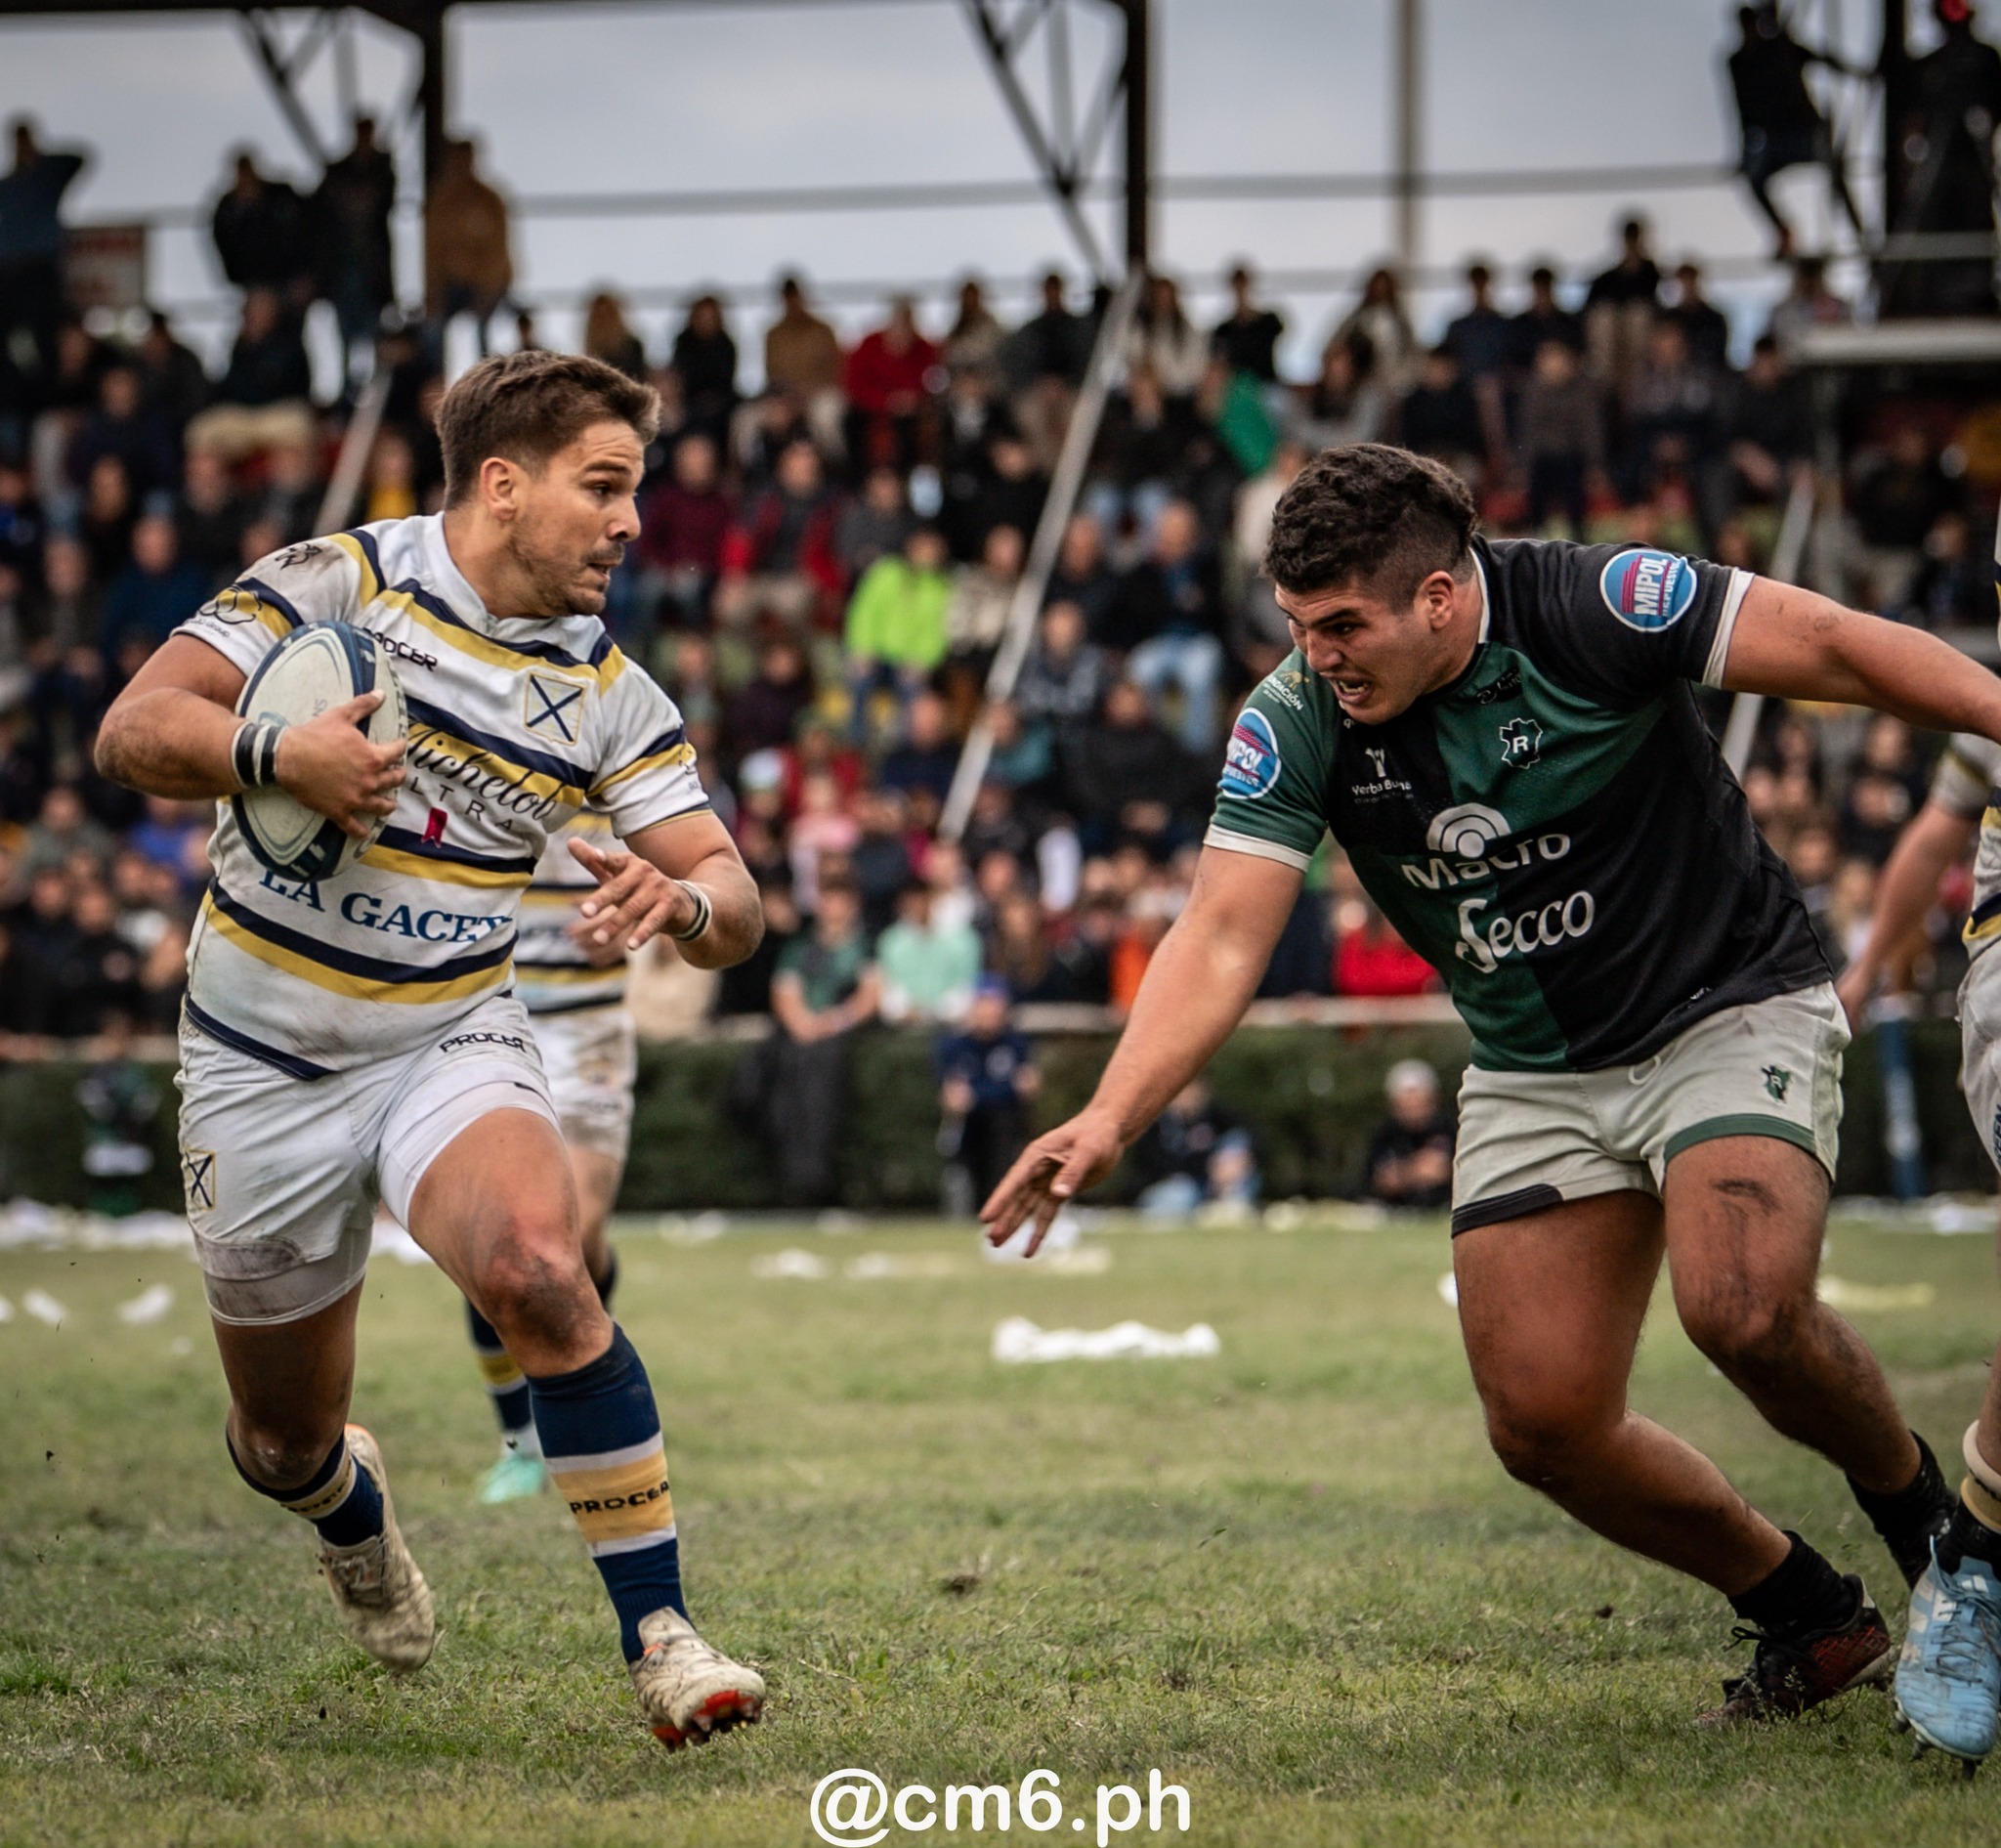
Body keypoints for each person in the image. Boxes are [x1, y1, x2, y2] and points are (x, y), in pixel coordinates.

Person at [983, 442, 2001, 1726]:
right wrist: (1109, 1112)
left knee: (1741, 1309)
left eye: (1342, 625)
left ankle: (1942, 1541)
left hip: (1726, 1001)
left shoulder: (1595, 602)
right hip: (1533, 1064)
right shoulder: (1293, 717)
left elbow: (1838, 647)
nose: (1315, 655)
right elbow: (1223, 933)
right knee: (1543, 1421)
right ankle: (1809, 1612)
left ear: (1439, 597)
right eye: (1297, 625)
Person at [92, 349, 767, 1749]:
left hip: (445, 1032)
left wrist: (687, 903)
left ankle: (664, 1637)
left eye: (633, 489)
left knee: (541, 1270)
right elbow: (132, 730)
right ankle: (347, 1509)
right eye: (604, 486)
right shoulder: (334, 580)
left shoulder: (608, 689)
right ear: (503, 485)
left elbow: (735, 894)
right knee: (281, 1439)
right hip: (259, 1056)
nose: (631, 520)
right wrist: (280, 754)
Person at [460, 812, 637, 1505]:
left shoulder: (618, 783)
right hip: (493, 1024)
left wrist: (630, 920)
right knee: (495, 1242)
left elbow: (678, 883)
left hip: (589, 1033)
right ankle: (521, 1442)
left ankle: (583, 1375)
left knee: (576, 1240)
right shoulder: (472, 774)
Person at [767, 878, 878, 1207]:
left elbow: (870, 996)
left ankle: (817, 1180)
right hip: (799, 1039)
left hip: (838, 1042)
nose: (833, 909)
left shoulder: (863, 947)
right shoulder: (799, 948)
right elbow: (784, 992)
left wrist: (834, 1022)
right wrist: (803, 1024)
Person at [1725, 4, 1862, 256]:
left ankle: (1861, 234)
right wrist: (1743, 155)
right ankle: (1783, 231)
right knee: (1754, 178)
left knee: (1833, 170)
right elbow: (1740, 111)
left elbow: (1823, 59)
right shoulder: (1740, 62)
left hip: (1804, 136)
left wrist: (1859, 73)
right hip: (1775, 143)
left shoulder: (1781, 48)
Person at [0, 119, 87, 405]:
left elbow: (79, 158)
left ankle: (46, 399)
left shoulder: (47, 176)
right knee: (11, 340)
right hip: (7, 273)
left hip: (39, 271)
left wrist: (38, 158)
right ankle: (14, 401)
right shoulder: (7, 186)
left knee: (43, 337)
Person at [936, 977, 1039, 1210]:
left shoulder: (1016, 1043)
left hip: (1005, 1123)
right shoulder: (954, 1045)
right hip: (968, 1125)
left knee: (1004, 1125)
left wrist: (977, 1094)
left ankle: (1000, 1201)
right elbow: (952, 1098)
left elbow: (1027, 1087)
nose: (988, 1013)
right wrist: (1003, 1089)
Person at [313, 115, 397, 387]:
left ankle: (371, 386)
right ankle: (348, 387)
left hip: (370, 270)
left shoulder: (382, 170)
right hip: (344, 269)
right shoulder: (340, 172)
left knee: (372, 332)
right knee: (346, 334)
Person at [424, 140, 513, 358]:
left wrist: (487, 288)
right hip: (450, 284)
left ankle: (488, 374)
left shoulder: (489, 199)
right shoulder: (441, 201)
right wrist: (433, 291)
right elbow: (433, 251)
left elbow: (498, 249)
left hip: (486, 284)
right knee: (433, 330)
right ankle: (437, 375)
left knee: (486, 333)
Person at [1365, 1058, 1455, 1210]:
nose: (1413, 1107)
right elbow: (1380, 1180)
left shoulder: (1449, 1129)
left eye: (1419, 1101)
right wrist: (1415, 1170)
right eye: (1406, 1103)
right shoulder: (1385, 1134)